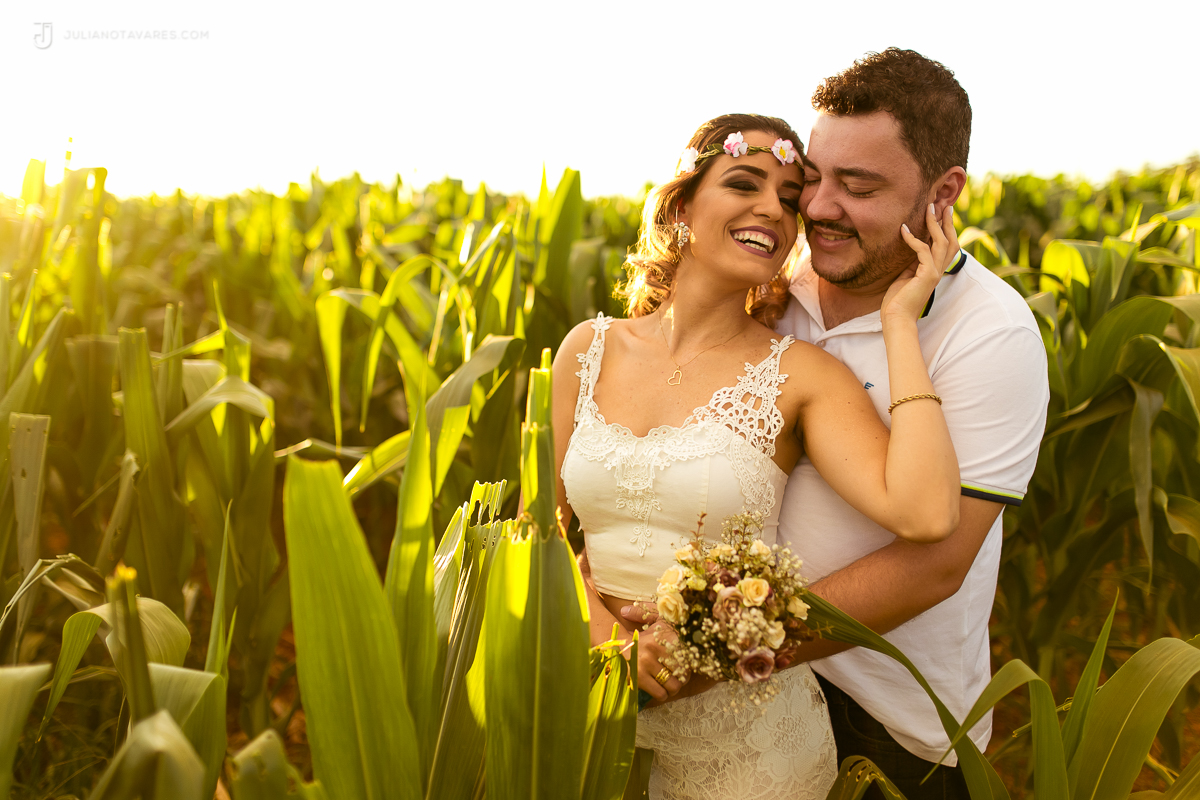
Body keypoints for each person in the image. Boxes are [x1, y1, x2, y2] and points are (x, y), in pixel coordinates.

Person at [552, 113, 964, 800]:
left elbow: (925, 513)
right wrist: (609, 647)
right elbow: (542, 532)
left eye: (789, 198)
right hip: (590, 715)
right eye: (745, 183)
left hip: (747, 754)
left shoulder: (801, 375)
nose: (773, 209)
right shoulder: (585, 351)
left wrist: (901, 318)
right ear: (683, 206)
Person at [771, 49, 1050, 799]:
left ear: (943, 190)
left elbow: (934, 562)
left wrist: (732, 645)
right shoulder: (766, 282)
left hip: (890, 723)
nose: (820, 207)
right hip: (740, 706)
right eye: (815, 176)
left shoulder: (988, 332)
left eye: (858, 187)